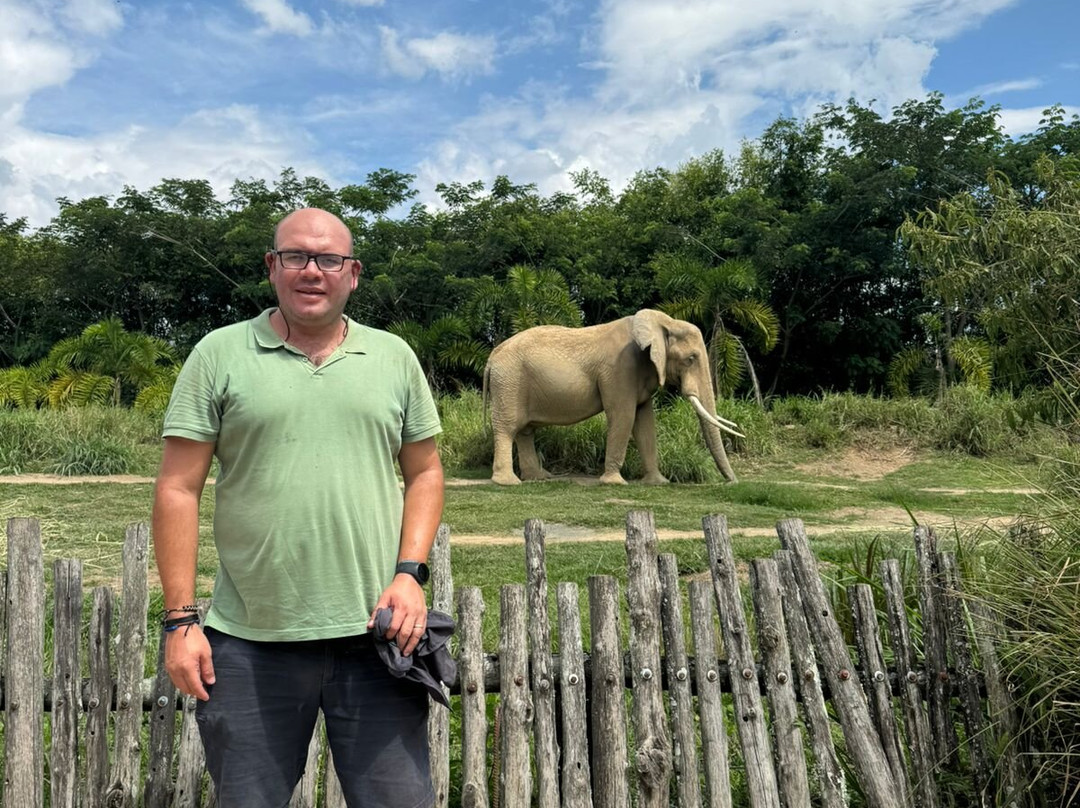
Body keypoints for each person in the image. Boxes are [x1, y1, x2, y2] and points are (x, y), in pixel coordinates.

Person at [152, 207, 445, 808]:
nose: (312, 271)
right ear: (272, 267)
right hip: (250, 641)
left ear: (353, 273)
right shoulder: (219, 354)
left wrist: (409, 575)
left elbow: (426, 472)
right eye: (296, 256)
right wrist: (181, 622)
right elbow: (178, 488)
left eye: (329, 259)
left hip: (378, 638)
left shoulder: (394, 357)